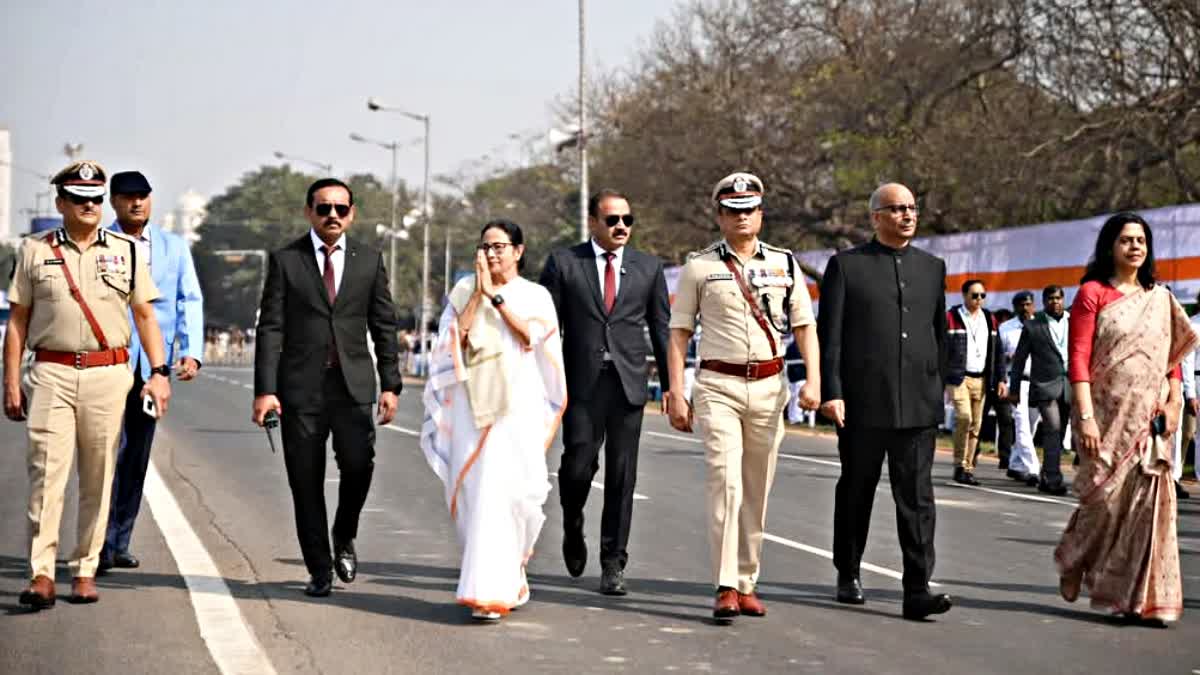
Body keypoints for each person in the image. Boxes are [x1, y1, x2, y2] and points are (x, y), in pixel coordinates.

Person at [4, 161, 171, 608]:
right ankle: (41, 573)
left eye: (96, 199)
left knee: (99, 475)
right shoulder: (34, 251)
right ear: (61, 203)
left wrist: (159, 373)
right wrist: (11, 381)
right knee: (47, 474)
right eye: (79, 199)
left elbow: (144, 316)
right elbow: (17, 322)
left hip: (108, 374)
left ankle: (84, 569)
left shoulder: (126, 250)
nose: (89, 207)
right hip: (52, 372)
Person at [666, 172, 820, 623]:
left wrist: (812, 381)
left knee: (757, 488)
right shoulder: (699, 266)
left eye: (749, 210)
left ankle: (748, 580)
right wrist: (677, 391)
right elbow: (678, 333)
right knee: (726, 484)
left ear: (761, 214)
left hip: (771, 387)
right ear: (719, 216)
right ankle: (726, 584)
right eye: (732, 211)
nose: (742, 218)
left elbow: (805, 327)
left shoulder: (785, 264)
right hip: (718, 387)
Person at [252, 178, 402, 597]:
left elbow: (383, 323)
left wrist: (391, 383)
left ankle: (345, 533)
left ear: (351, 214)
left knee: (359, 465)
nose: (332, 215)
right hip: (300, 390)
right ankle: (319, 569)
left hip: (353, 385)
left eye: (340, 208)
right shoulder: (286, 261)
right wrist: (265, 390)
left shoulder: (369, 260)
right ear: (308, 212)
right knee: (305, 480)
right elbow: (271, 328)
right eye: (323, 208)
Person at [818, 182, 953, 621]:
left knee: (917, 499)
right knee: (857, 491)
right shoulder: (847, 267)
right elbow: (830, 339)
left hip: (917, 405)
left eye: (912, 208)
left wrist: (938, 388)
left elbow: (938, 334)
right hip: (861, 405)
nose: (907, 216)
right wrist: (832, 392)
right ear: (875, 216)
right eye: (897, 209)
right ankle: (849, 571)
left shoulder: (933, 268)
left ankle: (917, 588)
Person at [1055, 212, 1197, 625]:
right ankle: (1074, 558)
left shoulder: (1160, 298)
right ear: (1110, 247)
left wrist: (1173, 404)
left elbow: (1172, 363)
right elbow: (1078, 361)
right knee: (1103, 504)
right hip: (1105, 417)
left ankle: (1134, 599)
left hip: (1151, 422)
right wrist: (1085, 418)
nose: (1135, 246)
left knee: (1145, 512)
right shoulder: (1092, 293)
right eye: (1126, 240)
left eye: (1141, 240)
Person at [421, 220, 567, 621]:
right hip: (474, 406)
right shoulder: (464, 291)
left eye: (500, 246)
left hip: (518, 407)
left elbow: (530, 338)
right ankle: (485, 589)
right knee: (478, 492)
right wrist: (478, 295)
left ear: (519, 251)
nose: (492, 253)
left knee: (519, 494)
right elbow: (456, 339)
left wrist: (497, 300)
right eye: (486, 246)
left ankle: (513, 573)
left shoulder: (535, 295)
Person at [538, 189, 670, 595]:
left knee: (622, 474)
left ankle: (613, 562)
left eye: (627, 220)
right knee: (578, 463)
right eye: (612, 220)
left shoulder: (648, 268)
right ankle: (572, 521)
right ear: (593, 222)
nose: (621, 227)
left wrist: (672, 385)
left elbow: (662, 329)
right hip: (581, 384)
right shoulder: (564, 263)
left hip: (629, 384)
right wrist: (541, 383)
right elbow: (545, 328)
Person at [99, 171, 204, 573]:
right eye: (128, 197)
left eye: (143, 196)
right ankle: (96, 541)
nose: (136, 203)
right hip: (106, 364)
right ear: (114, 202)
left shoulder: (173, 247)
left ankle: (117, 541)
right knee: (104, 455)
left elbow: (188, 299)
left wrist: (191, 352)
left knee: (136, 455)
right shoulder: (98, 244)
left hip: (151, 372)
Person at [1009, 285, 1073, 495]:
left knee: (1060, 432)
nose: (1054, 302)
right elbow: (1019, 359)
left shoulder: (1074, 321)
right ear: (1044, 302)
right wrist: (1015, 389)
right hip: (1044, 386)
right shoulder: (1033, 325)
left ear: (1063, 300)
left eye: (1058, 298)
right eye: (1050, 299)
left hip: (1068, 385)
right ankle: (1054, 479)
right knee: (1052, 428)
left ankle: (1046, 476)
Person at [944, 280, 1005, 485]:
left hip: (982, 378)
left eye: (982, 296)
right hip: (958, 377)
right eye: (974, 295)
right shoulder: (951, 317)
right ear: (964, 295)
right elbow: (941, 349)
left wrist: (1001, 379)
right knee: (964, 417)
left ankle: (967, 469)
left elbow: (998, 351)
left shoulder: (990, 318)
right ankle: (959, 464)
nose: (979, 299)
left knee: (976, 425)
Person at [998, 292, 1042, 485]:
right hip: (1016, 382)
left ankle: (1015, 464)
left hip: (1038, 382)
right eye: (1021, 305)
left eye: (1028, 304)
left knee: (1030, 426)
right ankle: (1034, 470)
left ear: (1033, 306)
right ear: (1015, 307)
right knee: (1021, 425)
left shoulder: (1041, 324)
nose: (1025, 308)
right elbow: (999, 358)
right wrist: (1009, 359)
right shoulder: (1005, 328)